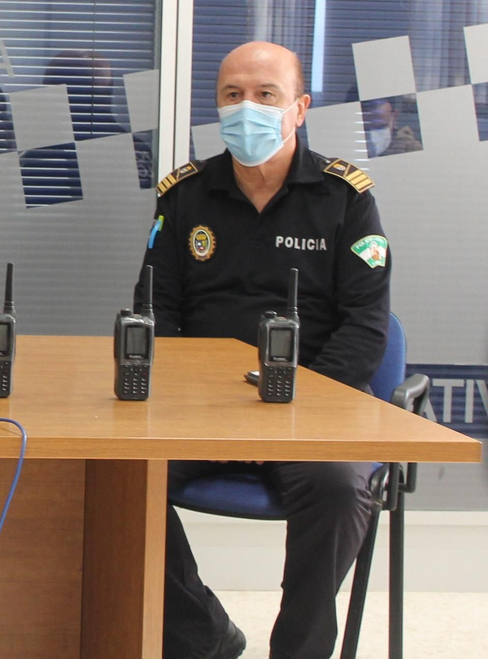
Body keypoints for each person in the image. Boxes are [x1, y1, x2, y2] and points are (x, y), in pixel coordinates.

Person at [141, 41, 391, 659]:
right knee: (117, 476)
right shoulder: (185, 197)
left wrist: (295, 400)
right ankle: (201, 634)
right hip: (200, 411)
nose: (245, 107)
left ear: (299, 108)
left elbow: (366, 327)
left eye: (265, 95)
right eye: (232, 95)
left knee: (338, 489)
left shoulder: (346, 199)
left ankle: (299, 651)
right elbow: (155, 314)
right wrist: (199, 398)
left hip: (309, 409)